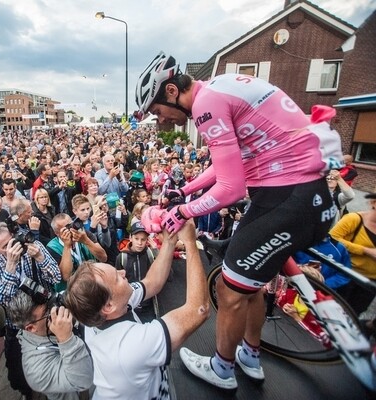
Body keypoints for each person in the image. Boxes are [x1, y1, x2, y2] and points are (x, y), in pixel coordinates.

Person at [134, 51, 342, 389]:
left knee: (227, 289)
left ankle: (222, 368)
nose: (162, 120)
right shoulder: (218, 89)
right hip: (302, 195)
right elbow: (225, 164)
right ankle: (249, 354)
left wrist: (183, 211)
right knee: (250, 284)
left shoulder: (205, 106)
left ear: (171, 91)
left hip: (286, 199)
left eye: (158, 111)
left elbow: (231, 188)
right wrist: (185, 189)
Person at [64, 220, 209, 399]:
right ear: (109, 306)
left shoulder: (98, 311)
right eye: (117, 278)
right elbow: (198, 309)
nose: (123, 273)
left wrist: (170, 241)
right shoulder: (132, 344)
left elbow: (152, 283)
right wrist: (190, 243)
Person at [0, 221, 62, 399]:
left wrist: (41, 257)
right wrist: (10, 266)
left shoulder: (33, 246)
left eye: (12, 240)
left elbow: (56, 276)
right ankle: (29, 393)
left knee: (57, 359)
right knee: (18, 375)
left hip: (46, 318)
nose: (13, 247)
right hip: (17, 327)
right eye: (5, 246)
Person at [7, 291, 94, 400]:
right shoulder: (36, 371)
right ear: (31, 328)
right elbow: (84, 380)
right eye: (47, 313)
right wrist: (66, 339)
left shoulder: (44, 329)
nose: (55, 310)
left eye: (50, 304)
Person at [330, 192, 376, 315]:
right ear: (373, 203)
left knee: (355, 313)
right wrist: (365, 251)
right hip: (346, 275)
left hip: (370, 283)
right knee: (336, 309)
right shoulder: (354, 219)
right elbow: (332, 238)